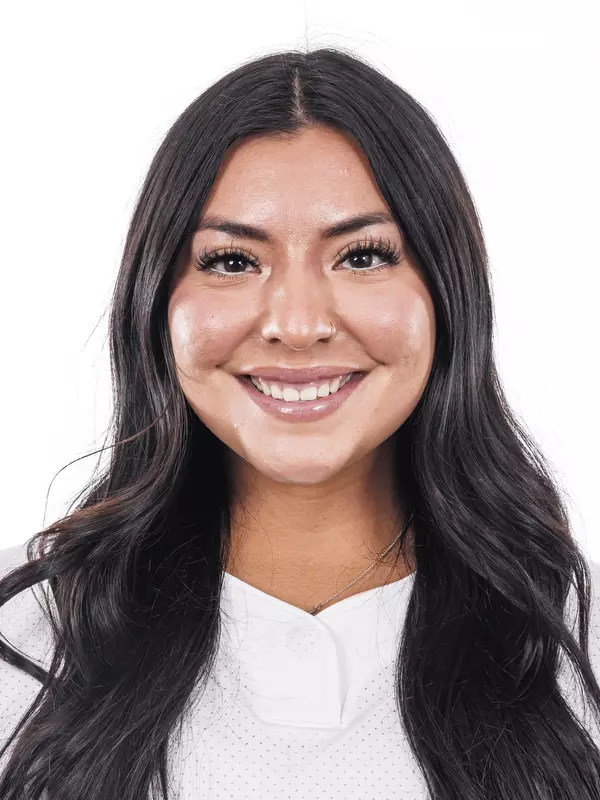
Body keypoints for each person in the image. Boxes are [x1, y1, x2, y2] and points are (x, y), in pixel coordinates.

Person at [1, 45, 600, 800]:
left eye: (361, 256)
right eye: (231, 261)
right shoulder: (22, 637)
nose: (297, 322)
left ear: (448, 296)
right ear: (156, 302)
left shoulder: (575, 647)